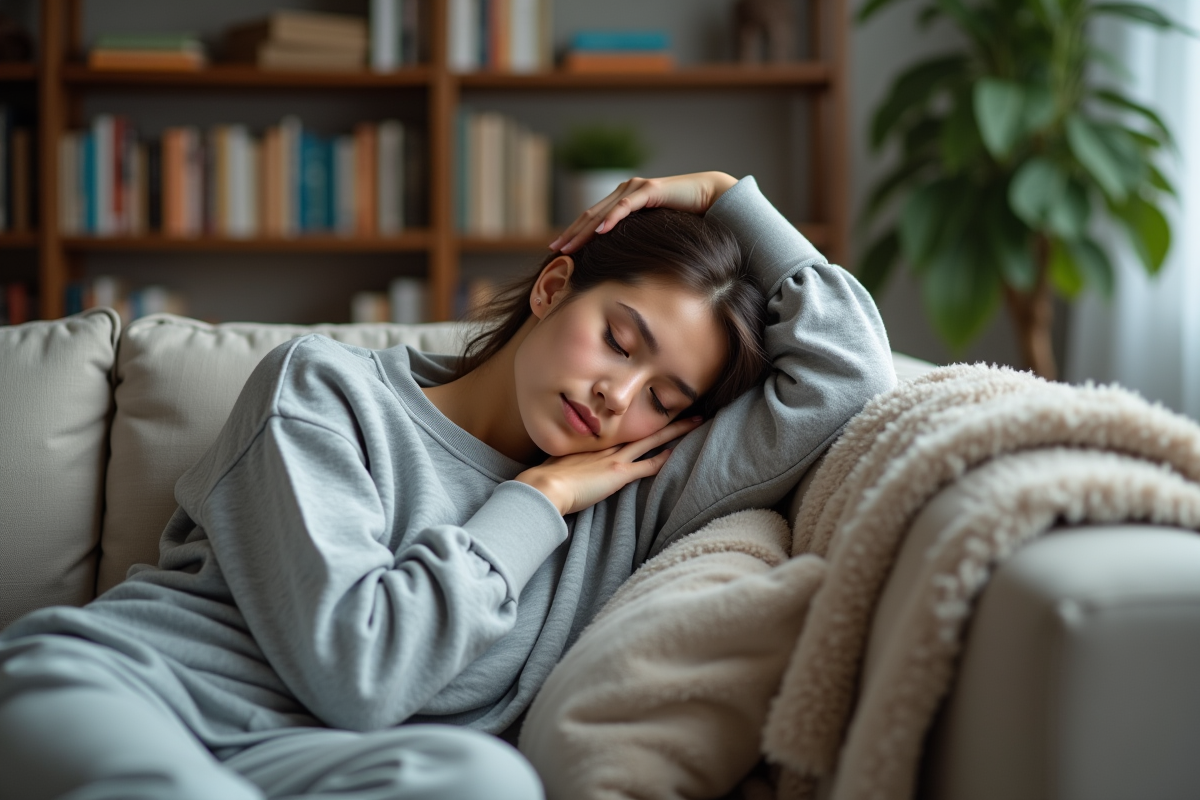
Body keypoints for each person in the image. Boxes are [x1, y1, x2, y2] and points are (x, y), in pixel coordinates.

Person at [0, 172, 894, 799]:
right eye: (619, 341)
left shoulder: (635, 492)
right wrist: (535, 505)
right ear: (553, 289)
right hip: (128, 693)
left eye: (664, 395)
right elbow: (360, 667)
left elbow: (850, 373)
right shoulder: (327, 391)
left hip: (314, 770)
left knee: (490, 783)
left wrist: (725, 196)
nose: (616, 397)